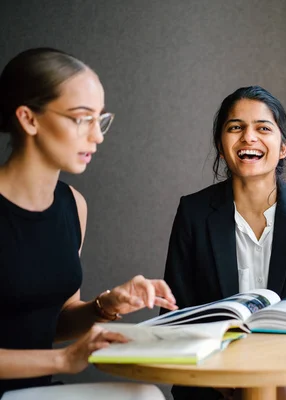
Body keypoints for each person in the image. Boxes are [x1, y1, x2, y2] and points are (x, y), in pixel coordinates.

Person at [0, 48, 178, 399]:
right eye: (82, 118)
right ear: (29, 118)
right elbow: (60, 351)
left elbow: (55, 321)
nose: (97, 136)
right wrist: (64, 360)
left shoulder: (73, 206)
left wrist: (107, 305)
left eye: (101, 119)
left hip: (30, 393)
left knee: (145, 395)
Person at [163, 86, 286, 400]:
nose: (248, 137)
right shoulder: (193, 212)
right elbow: (177, 312)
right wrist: (219, 374)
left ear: (283, 147)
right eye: (236, 128)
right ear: (222, 146)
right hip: (211, 370)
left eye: (263, 128)